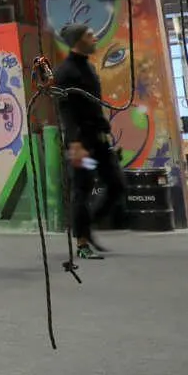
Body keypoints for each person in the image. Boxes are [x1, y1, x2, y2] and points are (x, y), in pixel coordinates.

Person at [54, 23, 124, 260]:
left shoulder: (89, 68)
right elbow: (66, 110)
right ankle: (82, 244)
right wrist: (75, 144)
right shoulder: (65, 72)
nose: (94, 38)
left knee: (116, 184)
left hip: (98, 141)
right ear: (78, 40)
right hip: (81, 144)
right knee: (82, 189)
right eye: (89, 35)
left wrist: (105, 130)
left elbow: (93, 105)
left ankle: (87, 225)